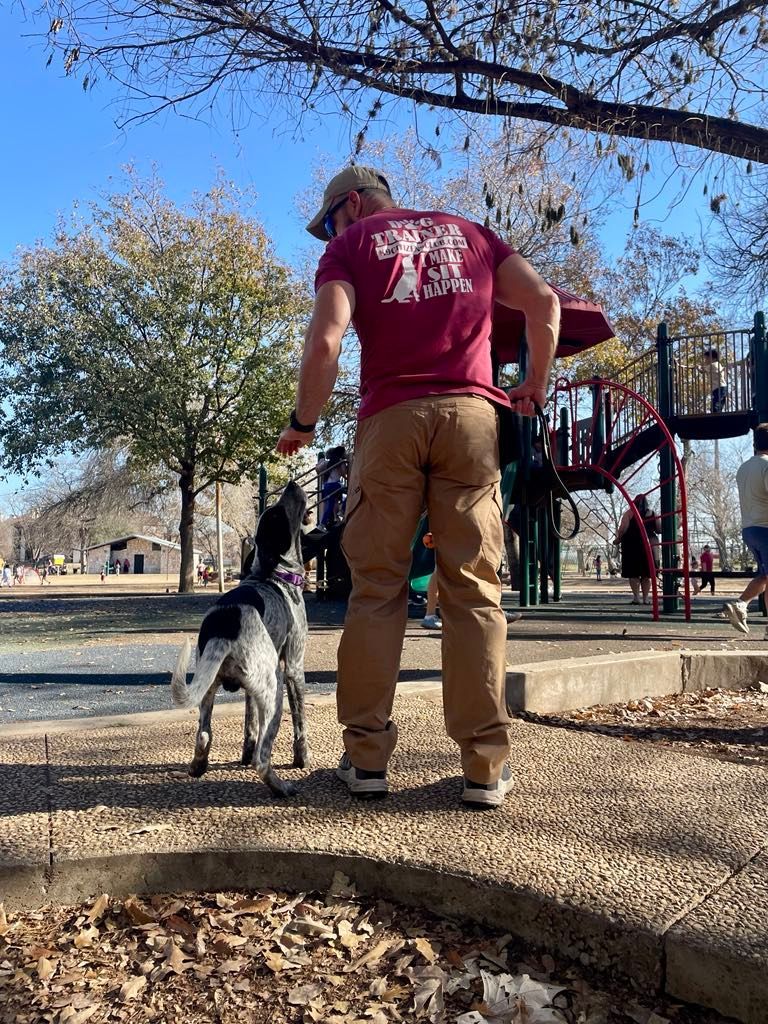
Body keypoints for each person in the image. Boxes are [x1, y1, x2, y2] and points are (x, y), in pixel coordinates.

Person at [276, 165, 559, 808]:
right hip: (472, 417)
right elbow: (544, 303)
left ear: (352, 205)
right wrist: (533, 383)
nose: (330, 235)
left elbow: (325, 341)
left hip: (390, 419)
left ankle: (367, 761)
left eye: (331, 222)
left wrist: (303, 422)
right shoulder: (473, 235)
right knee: (474, 588)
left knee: (377, 587)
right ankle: (484, 767)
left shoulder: (349, 250)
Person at [722, 424, 768, 636]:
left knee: (766, 577)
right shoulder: (767, 466)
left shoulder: (744, 468)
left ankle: (742, 606)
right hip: (766, 527)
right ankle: (741, 604)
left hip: (750, 528)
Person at [615, 494, 661, 605]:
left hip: (632, 545)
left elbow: (623, 529)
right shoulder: (653, 514)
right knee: (647, 574)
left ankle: (636, 597)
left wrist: (618, 539)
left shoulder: (629, 513)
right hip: (648, 546)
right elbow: (659, 529)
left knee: (633, 574)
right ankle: (645, 598)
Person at [702, 348, 728, 413]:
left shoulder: (712, 365)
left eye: (707, 358)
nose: (705, 361)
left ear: (714, 359)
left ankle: (716, 415)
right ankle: (718, 414)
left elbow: (702, 370)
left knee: (715, 406)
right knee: (718, 404)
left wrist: (698, 367)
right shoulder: (718, 364)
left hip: (718, 388)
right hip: (722, 387)